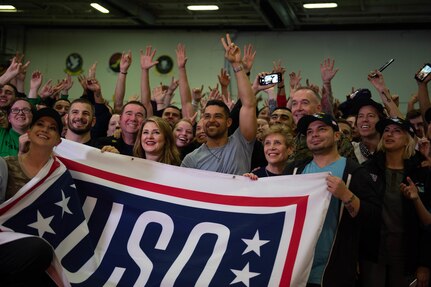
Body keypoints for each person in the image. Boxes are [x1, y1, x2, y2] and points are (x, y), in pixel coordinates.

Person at [284, 112, 380, 287]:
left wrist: (346, 195)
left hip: (334, 269)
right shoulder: (295, 170)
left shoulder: (354, 172)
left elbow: (373, 216)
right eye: (310, 132)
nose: (314, 135)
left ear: (337, 135)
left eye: (321, 129)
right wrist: (250, 183)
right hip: (295, 267)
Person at [360, 117, 431, 287]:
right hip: (373, 253)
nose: (389, 134)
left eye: (397, 131)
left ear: (408, 138)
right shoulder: (368, 168)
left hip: (407, 254)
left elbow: (428, 224)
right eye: (386, 130)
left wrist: (425, 264)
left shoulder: (421, 171)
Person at [0, 107, 64, 286]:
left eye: (52, 127)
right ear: (29, 131)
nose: (45, 129)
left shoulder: (61, 176)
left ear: (59, 140)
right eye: (40, 124)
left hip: (41, 253)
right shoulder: (5, 165)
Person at [181, 34, 257, 175]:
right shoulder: (191, 160)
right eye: (207, 116)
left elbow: (249, 105)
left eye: (217, 116)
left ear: (228, 122)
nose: (211, 121)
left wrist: (236, 65)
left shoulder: (241, 142)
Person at [289, 87, 356, 163]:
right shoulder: (292, 141)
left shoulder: (336, 139)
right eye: (294, 104)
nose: (298, 108)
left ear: (318, 108)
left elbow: (351, 171)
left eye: (305, 103)